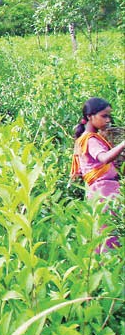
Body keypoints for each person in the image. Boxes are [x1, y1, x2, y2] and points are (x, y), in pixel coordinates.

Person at [70, 97, 123, 251]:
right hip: (103, 192)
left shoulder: (95, 138)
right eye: (104, 116)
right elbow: (104, 158)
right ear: (89, 117)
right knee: (108, 237)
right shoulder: (90, 140)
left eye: (109, 116)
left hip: (105, 190)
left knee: (107, 234)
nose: (108, 120)